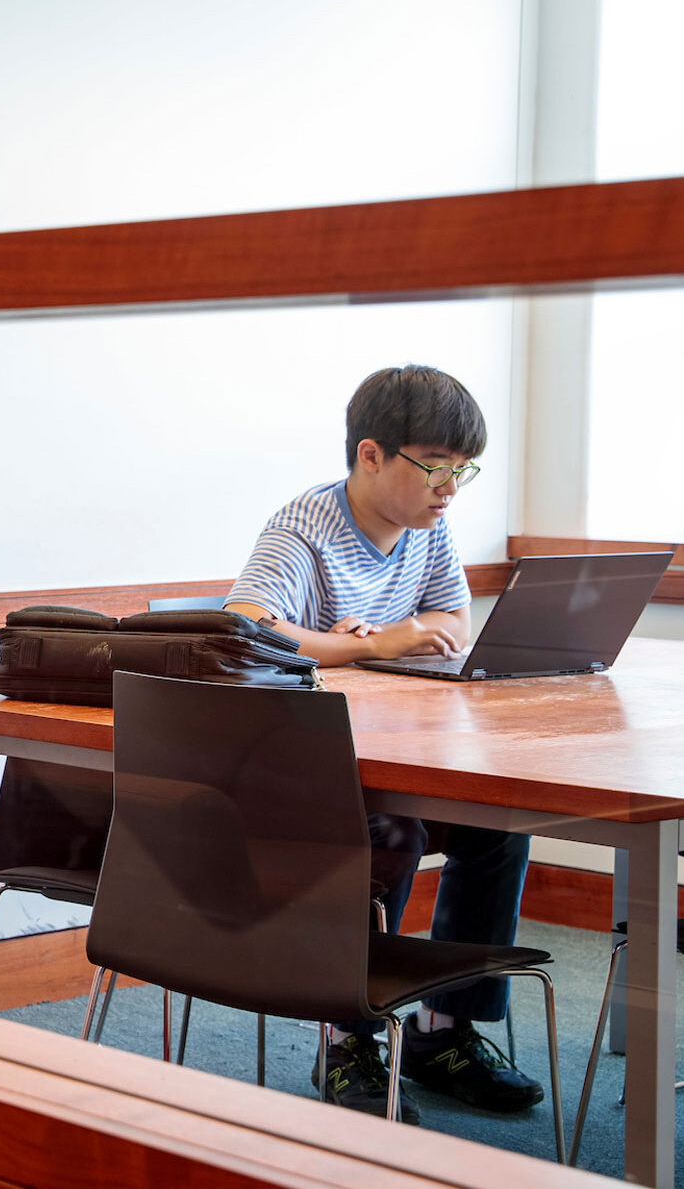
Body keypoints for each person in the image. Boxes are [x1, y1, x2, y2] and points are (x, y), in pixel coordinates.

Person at [223, 363, 539, 1125]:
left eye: (462, 470)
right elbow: (243, 624)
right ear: (371, 456)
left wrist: (380, 643)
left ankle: (442, 1033)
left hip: (398, 751)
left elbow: (454, 623)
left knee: (498, 826)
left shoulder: (428, 529)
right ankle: (350, 1040)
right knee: (386, 831)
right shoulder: (305, 527)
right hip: (304, 773)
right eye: (436, 467)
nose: (450, 488)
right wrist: (366, 645)